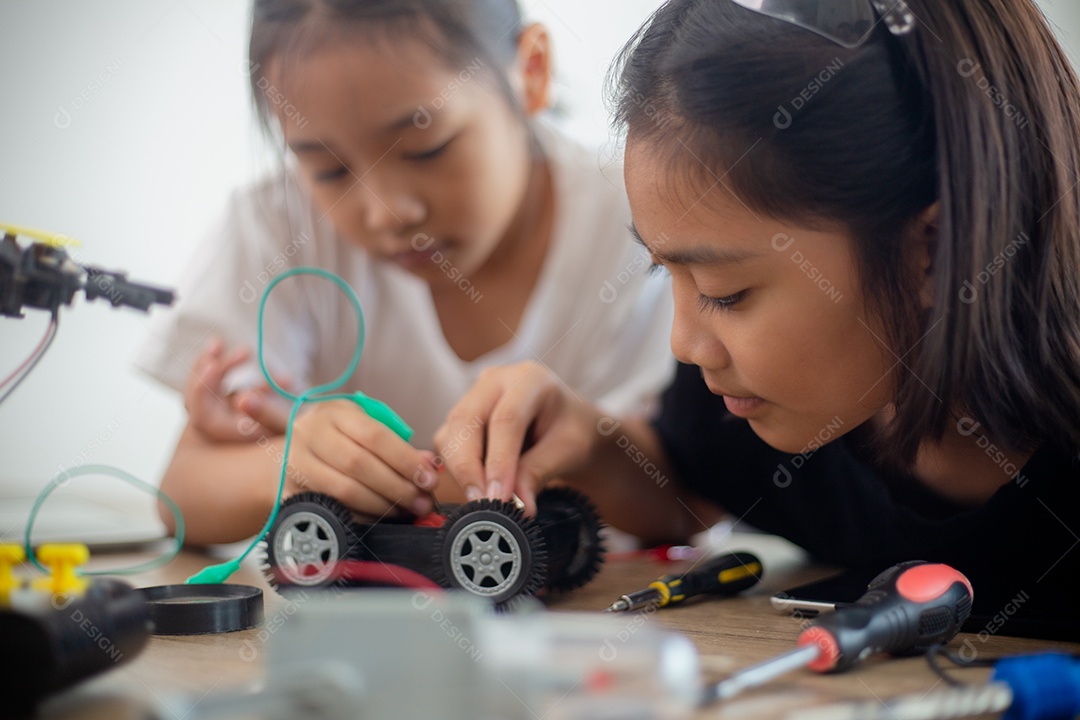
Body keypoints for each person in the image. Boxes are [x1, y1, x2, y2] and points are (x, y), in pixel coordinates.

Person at [435, 0, 1080, 630]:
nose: (684, 343)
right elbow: (688, 487)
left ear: (930, 253)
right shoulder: (765, 405)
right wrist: (589, 442)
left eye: (725, 292)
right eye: (663, 271)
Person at [135, 0, 674, 544]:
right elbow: (182, 494)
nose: (386, 213)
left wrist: (593, 446)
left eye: (425, 150)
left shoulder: (643, 218)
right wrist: (293, 463)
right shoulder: (279, 226)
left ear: (530, 72)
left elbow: (685, 506)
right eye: (329, 170)